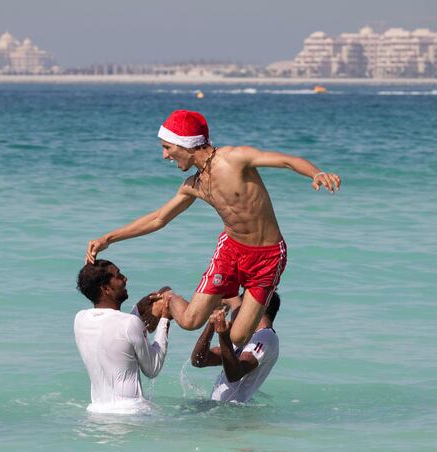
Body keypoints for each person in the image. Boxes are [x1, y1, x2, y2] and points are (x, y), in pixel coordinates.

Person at [86, 109, 340, 346]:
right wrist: (109, 237)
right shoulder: (192, 185)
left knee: (239, 337)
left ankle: (226, 298)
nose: (164, 155)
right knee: (189, 322)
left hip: (268, 256)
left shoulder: (233, 158)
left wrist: (316, 173)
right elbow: (158, 219)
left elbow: (286, 160)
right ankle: (168, 295)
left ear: (185, 144)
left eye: (167, 147)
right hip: (230, 250)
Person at [73, 259, 173, 412]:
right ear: (106, 288)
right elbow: (152, 368)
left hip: (97, 412)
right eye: (118, 276)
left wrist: (137, 310)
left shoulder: (80, 319)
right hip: (133, 413)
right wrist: (165, 320)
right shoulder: (129, 323)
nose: (125, 279)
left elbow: (115, 334)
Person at [190, 292, 281, 403]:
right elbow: (199, 361)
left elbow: (235, 375)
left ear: (257, 307)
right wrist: (211, 324)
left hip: (231, 412)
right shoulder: (242, 336)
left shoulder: (266, 336)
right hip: (220, 411)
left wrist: (224, 336)